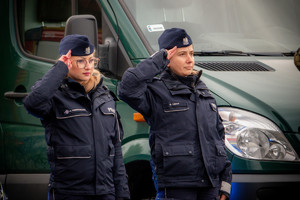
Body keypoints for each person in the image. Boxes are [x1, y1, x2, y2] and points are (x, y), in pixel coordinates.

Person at [118, 28, 232, 200]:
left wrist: (225, 182)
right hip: (176, 185)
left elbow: (218, 138)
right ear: (168, 59)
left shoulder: (203, 91)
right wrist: (158, 60)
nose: (189, 60)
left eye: (192, 53)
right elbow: (127, 88)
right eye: (182, 54)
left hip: (210, 185)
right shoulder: (156, 91)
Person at [23, 34, 130, 200]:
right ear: (67, 62)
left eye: (91, 60)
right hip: (69, 193)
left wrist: (122, 195)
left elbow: (116, 151)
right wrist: (59, 69)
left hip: (105, 192)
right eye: (81, 61)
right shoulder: (56, 95)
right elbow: (33, 104)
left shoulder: (105, 96)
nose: (88, 66)